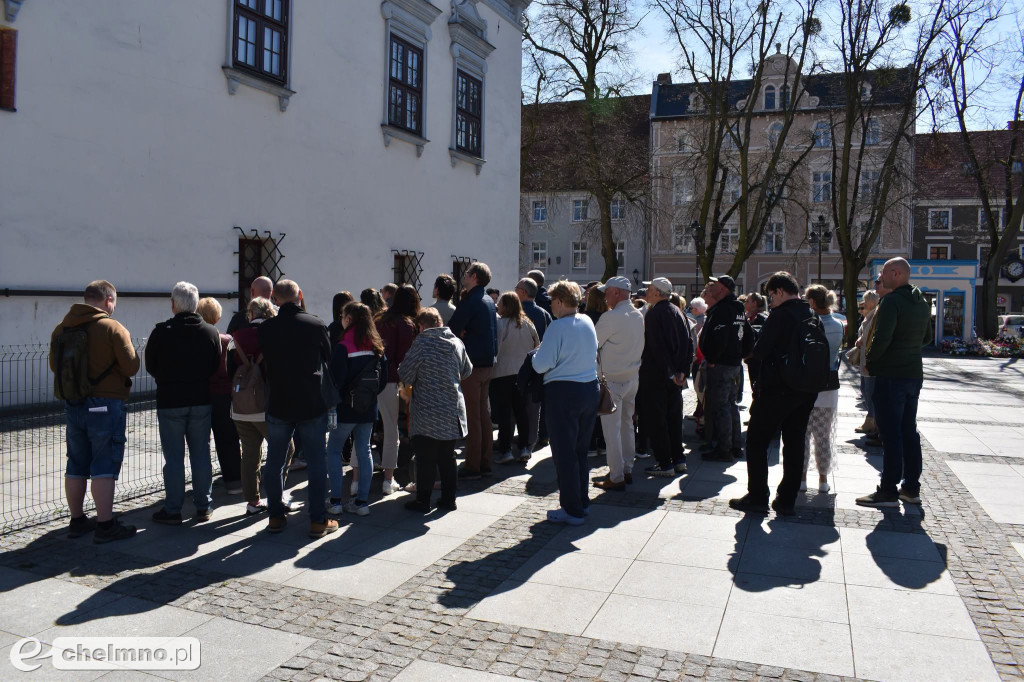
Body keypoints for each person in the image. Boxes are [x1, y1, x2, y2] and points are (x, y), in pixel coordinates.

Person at [50, 280, 140, 543]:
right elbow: (132, 366)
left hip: (73, 403)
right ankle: (104, 524)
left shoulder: (61, 329)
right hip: (105, 404)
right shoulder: (112, 328)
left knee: (76, 462)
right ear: (108, 301)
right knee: (104, 463)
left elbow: (55, 366)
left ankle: (77, 521)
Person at [729, 271, 818, 516]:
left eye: (772, 295)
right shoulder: (811, 313)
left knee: (757, 441)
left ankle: (758, 496)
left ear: (780, 291)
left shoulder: (781, 315)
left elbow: (761, 350)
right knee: (794, 443)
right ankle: (786, 500)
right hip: (805, 390)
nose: (772, 301)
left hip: (777, 389)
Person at [258, 279, 338, 538]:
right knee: (316, 461)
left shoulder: (267, 328)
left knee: (275, 462)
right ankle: (317, 520)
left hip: (279, 400)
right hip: (310, 401)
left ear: (275, 300)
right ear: (300, 295)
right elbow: (327, 358)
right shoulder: (316, 324)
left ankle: (275, 516)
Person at [856, 258, 932, 508]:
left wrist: (871, 363)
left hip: (890, 375)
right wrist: (908, 350)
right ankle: (911, 488)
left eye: (884, 273)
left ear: (897, 273)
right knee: (909, 431)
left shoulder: (891, 302)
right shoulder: (921, 300)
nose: (881, 277)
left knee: (890, 435)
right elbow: (927, 337)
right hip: (913, 374)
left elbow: (881, 339)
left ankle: (888, 490)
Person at [146, 281, 222, 525]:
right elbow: (214, 365)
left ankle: (172, 508)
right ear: (196, 304)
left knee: (174, 457)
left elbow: (150, 365)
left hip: (170, 401)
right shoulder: (210, 332)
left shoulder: (161, 332)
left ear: (173, 305)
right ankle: (203, 505)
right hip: (200, 399)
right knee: (201, 454)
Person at [532, 281, 600, 525]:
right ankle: (581, 502)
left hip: (564, 393)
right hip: (589, 390)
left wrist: (535, 356)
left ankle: (572, 509)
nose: (551, 306)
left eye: (552, 301)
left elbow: (541, 365)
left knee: (564, 454)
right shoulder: (586, 321)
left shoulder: (558, 327)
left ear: (560, 301)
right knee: (580, 452)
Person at [400, 308, 474, 512]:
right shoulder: (456, 342)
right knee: (447, 458)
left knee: (426, 459)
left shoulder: (422, 343)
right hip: (452, 409)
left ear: (421, 326)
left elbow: (405, 372)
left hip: (427, 411)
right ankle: (449, 500)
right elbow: (467, 370)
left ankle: (423, 502)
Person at [227, 296, 290, 515]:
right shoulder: (275, 335)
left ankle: (253, 502)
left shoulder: (235, 338)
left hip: (241, 406)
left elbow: (229, 371)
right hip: (268, 405)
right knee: (285, 448)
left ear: (251, 314)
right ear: (270, 313)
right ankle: (277, 493)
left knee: (250, 454)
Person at [327, 302, 388, 516]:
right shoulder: (376, 345)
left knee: (333, 450)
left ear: (349, 319)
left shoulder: (343, 345)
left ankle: (335, 501)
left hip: (345, 408)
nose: (341, 318)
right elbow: (383, 380)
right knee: (364, 450)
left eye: (343, 315)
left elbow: (335, 379)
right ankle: (362, 502)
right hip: (368, 407)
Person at [592, 277, 645, 491]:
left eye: (607, 292)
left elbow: (592, 343)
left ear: (616, 292)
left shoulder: (611, 317)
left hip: (612, 380)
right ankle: (626, 469)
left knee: (612, 431)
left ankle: (616, 476)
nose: (605, 296)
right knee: (626, 426)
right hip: (631, 377)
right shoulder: (638, 315)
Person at [638, 277, 693, 477]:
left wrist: (671, 372)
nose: (647, 292)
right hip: (673, 376)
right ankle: (678, 459)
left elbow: (656, 347)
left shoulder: (654, 314)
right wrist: (682, 372)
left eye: (650, 289)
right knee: (673, 419)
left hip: (657, 376)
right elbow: (689, 344)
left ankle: (665, 463)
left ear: (658, 292)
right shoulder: (678, 311)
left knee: (657, 420)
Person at [448, 262, 498, 479]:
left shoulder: (471, 300)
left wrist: (462, 334)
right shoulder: (488, 300)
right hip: (487, 363)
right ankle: (485, 461)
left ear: (475, 277)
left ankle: (473, 465)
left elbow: (451, 329)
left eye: (467, 273)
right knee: (483, 414)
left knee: (472, 416)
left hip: (473, 366)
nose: (464, 276)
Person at [374, 284, 419, 494]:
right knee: (392, 432)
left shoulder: (379, 319)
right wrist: (406, 386)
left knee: (362, 430)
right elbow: (404, 360)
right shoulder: (406, 325)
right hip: (391, 381)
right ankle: (387, 480)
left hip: (371, 379)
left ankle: (356, 482)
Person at [196, 297, 243, 495]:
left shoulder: (196, 340)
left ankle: (202, 484)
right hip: (224, 395)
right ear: (217, 316)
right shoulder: (227, 340)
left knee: (200, 441)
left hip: (201, 394)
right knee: (228, 439)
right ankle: (234, 482)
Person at [698, 275, 748, 462]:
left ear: (723, 288)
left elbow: (719, 337)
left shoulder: (723, 309)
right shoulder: (737, 308)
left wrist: (712, 358)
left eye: (716, 285)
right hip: (732, 363)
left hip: (721, 364)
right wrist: (740, 354)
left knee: (721, 407)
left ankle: (724, 449)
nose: (712, 288)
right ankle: (735, 446)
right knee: (730, 405)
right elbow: (747, 336)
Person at [802, 285, 844, 493]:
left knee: (803, 433)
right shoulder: (838, 325)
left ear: (811, 303)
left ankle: (801, 479)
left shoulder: (808, 324)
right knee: (823, 436)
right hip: (829, 385)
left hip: (807, 385)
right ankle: (823, 479)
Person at [491, 292, 541, 464]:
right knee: (522, 412)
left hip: (503, 373)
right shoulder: (527, 324)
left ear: (506, 306)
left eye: (500, 303)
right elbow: (537, 345)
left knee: (505, 413)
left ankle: (505, 450)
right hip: (523, 374)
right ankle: (524, 447)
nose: (497, 306)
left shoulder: (499, 323)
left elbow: (495, 348)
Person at [854, 288, 881, 437]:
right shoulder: (869, 316)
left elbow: (870, 337)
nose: (862, 303)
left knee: (869, 392)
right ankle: (872, 420)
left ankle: (872, 421)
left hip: (869, 360)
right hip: (865, 359)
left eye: (865, 300)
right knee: (865, 390)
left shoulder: (874, 316)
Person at [743, 292, 769, 393]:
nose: (745, 303)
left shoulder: (760, 318)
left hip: (756, 359)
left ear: (754, 303)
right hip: (751, 358)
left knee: (757, 387)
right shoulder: (750, 316)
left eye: (747, 301)